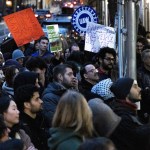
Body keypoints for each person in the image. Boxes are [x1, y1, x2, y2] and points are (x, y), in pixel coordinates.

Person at [15, 84, 50, 150]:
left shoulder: (42, 118)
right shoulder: (22, 127)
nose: (41, 101)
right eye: (37, 99)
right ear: (27, 104)